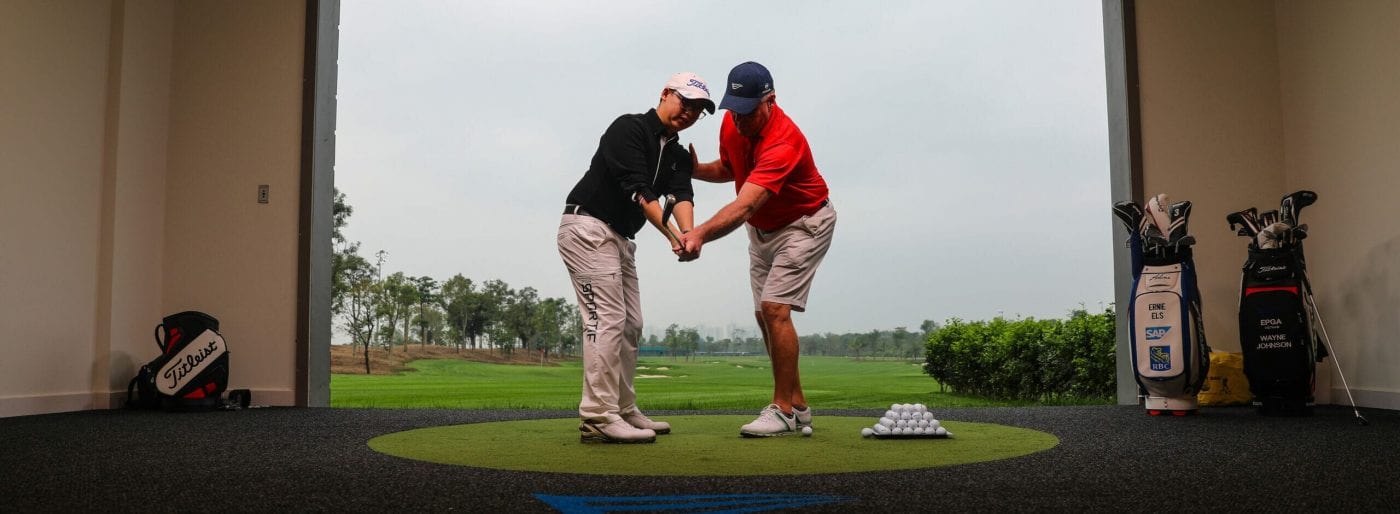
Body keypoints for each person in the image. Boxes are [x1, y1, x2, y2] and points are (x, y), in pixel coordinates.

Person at [678, 62, 836, 437]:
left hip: (804, 224)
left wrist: (699, 233)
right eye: (734, 109)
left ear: (771, 101)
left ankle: (781, 409)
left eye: (748, 111)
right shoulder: (732, 122)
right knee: (764, 316)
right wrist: (696, 169)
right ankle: (798, 405)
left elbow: (746, 203)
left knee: (775, 309)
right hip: (762, 229)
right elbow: (733, 168)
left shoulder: (785, 141)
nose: (739, 119)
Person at [557, 72, 714, 444]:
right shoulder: (627, 130)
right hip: (587, 227)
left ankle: (623, 409)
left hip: (621, 238)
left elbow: (682, 195)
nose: (690, 113)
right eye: (685, 103)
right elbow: (640, 191)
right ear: (665, 94)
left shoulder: (676, 155)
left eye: (698, 110)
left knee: (632, 324)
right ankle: (597, 416)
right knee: (607, 318)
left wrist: (689, 235)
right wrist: (673, 237)